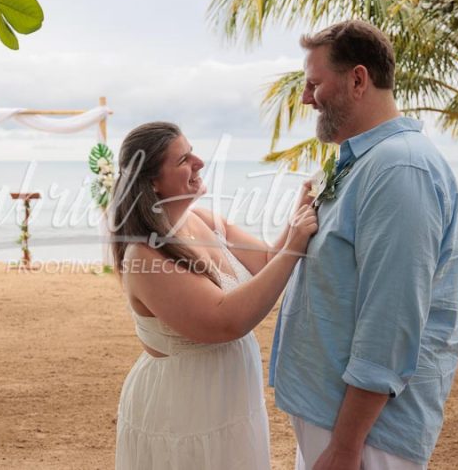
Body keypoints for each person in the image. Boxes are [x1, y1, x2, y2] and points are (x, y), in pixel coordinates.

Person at [269, 20, 458, 469]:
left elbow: (390, 322)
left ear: (358, 79)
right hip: (336, 417)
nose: (304, 98)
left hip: (369, 435)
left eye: (314, 83)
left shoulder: (400, 169)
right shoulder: (364, 162)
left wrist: (346, 445)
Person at [111, 121, 318, 469]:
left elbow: (266, 260)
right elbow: (226, 321)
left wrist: (301, 207)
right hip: (185, 411)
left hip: (230, 402)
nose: (200, 163)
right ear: (152, 182)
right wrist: (295, 247)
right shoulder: (145, 255)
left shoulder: (204, 221)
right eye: (184, 160)